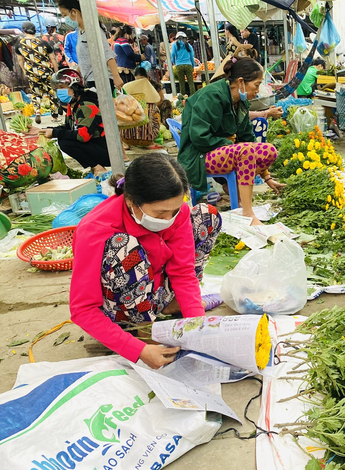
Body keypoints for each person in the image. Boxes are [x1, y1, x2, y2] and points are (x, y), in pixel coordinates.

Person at [70, 154, 223, 369]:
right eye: (160, 213)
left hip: (156, 287)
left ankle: (171, 304)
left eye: (174, 210)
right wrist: (137, 349)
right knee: (123, 246)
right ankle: (142, 328)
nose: (169, 219)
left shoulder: (175, 214)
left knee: (206, 215)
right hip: (121, 304)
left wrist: (198, 326)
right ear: (132, 201)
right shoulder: (95, 230)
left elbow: (183, 272)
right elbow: (82, 309)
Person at [178, 56, 283, 224]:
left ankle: (238, 195)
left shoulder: (240, 102)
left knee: (268, 151)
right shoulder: (212, 96)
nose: (258, 90)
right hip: (199, 155)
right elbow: (199, 137)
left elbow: (249, 138)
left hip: (221, 153)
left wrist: (267, 177)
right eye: (256, 85)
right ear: (241, 82)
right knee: (246, 151)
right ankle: (247, 213)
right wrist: (229, 143)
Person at [42, 69, 109, 174]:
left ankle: (97, 167)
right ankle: (95, 165)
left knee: (65, 143)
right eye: (57, 89)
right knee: (64, 138)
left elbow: (83, 136)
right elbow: (69, 127)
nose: (59, 92)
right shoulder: (72, 105)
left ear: (75, 87)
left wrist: (55, 133)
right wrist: (46, 130)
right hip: (94, 145)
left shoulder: (86, 105)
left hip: (106, 150)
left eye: (62, 88)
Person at [57, 0, 124, 93]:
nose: (64, 19)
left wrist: (116, 76)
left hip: (101, 80)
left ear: (74, 12)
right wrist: (76, 75)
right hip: (90, 80)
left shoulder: (93, 30)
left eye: (64, 15)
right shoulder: (80, 31)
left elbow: (107, 54)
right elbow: (85, 58)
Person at [15, 21, 59, 123]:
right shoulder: (43, 42)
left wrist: (24, 70)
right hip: (46, 71)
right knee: (52, 93)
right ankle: (54, 116)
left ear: (24, 31)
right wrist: (56, 70)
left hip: (32, 72)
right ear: (35, 31)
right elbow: (52, 57)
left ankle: (38, 111)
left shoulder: (19, 44)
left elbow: (20, 60)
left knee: (36, 93)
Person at [119, 66, 162, 149]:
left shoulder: (127, 97)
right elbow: (160, 100)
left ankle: (125, 144)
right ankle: (150, 142)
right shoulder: (152, 101)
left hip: (126, 138)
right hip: (146, 139)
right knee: (156, 115)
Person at [171, 31, 196, 96]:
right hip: (188, 65)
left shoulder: (174, 45)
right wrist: (192, 66)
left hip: (179, 65)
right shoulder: (188, 45)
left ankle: (182, 98)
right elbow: (192, 57)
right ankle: (193, 97)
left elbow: (173, 54)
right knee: (191, 83)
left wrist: (174, 61)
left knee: (182, 84)